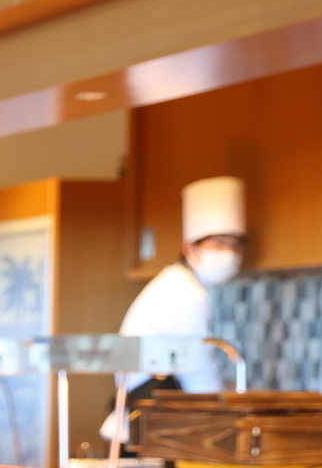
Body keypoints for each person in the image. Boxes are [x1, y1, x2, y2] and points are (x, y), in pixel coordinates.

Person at [102, 176, 244, 448]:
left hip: (148, 412)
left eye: (235, 244)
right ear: (190, 247)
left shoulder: (176, 283)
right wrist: (221, 411)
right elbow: (197, 366)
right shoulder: (185, 293)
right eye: (219, 243)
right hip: (153, 414)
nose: (229, 252)